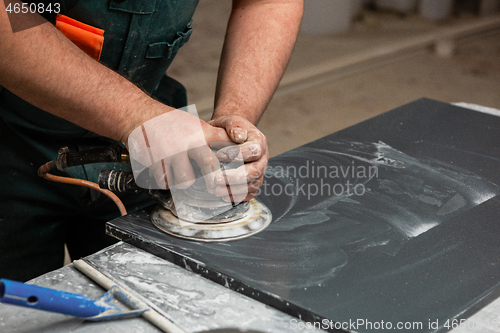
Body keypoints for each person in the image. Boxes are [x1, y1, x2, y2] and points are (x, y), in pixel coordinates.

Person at [0, 0, 303, 281]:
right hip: (10, 141)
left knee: (161, 298)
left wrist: (231, 126)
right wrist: (136, 115)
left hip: (157, 143)